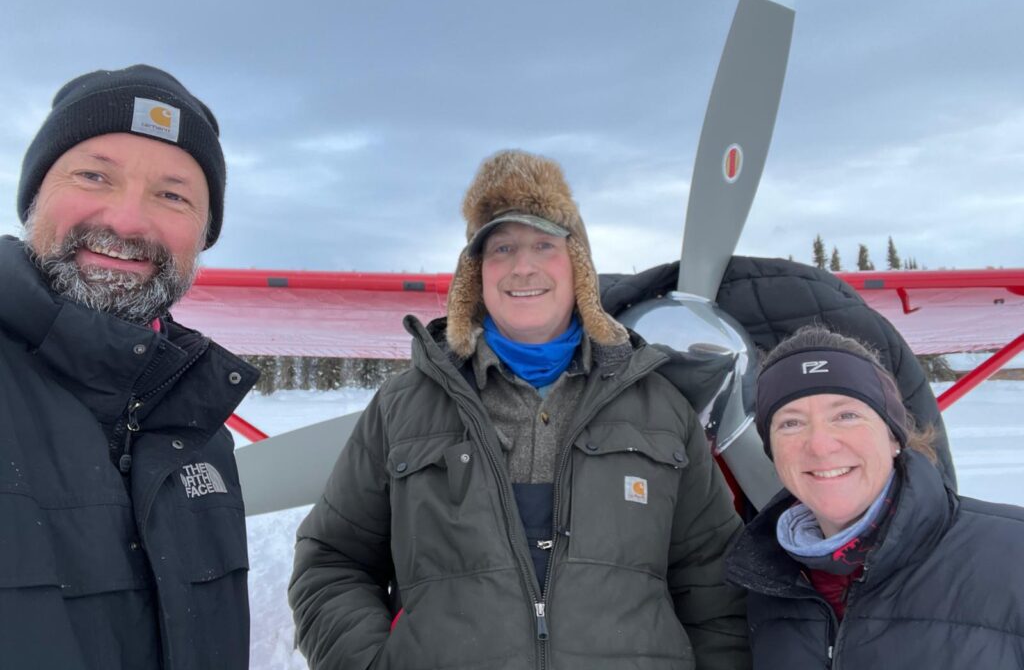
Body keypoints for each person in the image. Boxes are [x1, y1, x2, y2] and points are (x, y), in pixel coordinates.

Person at [289, 149, 750, 669]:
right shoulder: (402, 408)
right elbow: (330, 561)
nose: (522, 266)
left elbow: (716, 585)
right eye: (501, 247)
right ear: (475, 277)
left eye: (543, 244)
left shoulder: (661, 410)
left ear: (577, 267)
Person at [0, 65, 258, 669]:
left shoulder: (199, 428)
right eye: (94, 175)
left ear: (204, 233)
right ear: (35, 195)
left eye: (172, 195)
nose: (126, 221)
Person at [726, 324, 1024, 668]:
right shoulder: (765, 589)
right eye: (791, 423)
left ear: (894, 436)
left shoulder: (1014, 554)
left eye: (846, 415)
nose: (820, 445)